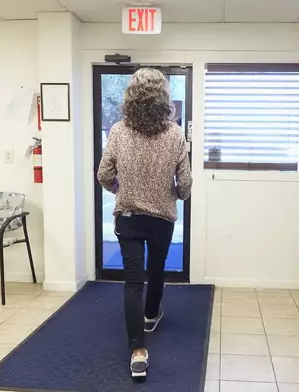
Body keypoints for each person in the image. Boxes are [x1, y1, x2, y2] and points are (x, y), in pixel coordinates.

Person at [97, 68, 193, 378]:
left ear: (130, 96)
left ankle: (138, 350)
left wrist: (120, 190)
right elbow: (186, 184)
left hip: (128, 217)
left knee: (133, 281)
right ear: (163, 96)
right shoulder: (176, 134)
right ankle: (151, 314)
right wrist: (174, 194)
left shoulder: (118, 131)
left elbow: (104, 176)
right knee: (156, 270)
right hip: (162, 219)